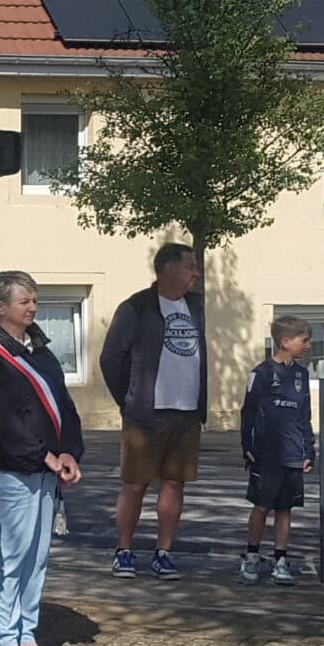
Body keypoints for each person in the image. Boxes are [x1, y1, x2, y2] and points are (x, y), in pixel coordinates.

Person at [0, 271, 83, 646]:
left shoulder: (41, 352)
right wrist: (43, 454)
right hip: (12, 469)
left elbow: (64, 405)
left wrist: (69, 450)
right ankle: (6, 638)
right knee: (12, 555)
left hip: (47, 468)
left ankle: (27, 632)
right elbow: (1, 419)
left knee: (37, 556)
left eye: (35, 300)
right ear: (1, 307)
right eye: (25, 302)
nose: (33, 307)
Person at [101, 242, 205, 580]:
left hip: (187, 412)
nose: (195, 273)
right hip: (146, 414)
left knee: (175, 484)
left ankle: (163, 553)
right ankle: (124, 551)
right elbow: (111, 358)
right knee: (136, 484)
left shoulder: (195, 305)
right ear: (169, 269)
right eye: (190, 266)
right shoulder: (137, 307)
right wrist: (130, 399)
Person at [239, 315, 316, 586]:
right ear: (285, 342)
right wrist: (247, 446)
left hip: (293, 454)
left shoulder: (301, 375)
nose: (308, 345)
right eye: (304, 340)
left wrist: (309, 449)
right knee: (262, 506)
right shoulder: (261, 373)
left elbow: (304, 415)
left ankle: (280, 559)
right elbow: (248, 412)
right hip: (267, 454)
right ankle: (251, 556)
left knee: (285, 508)